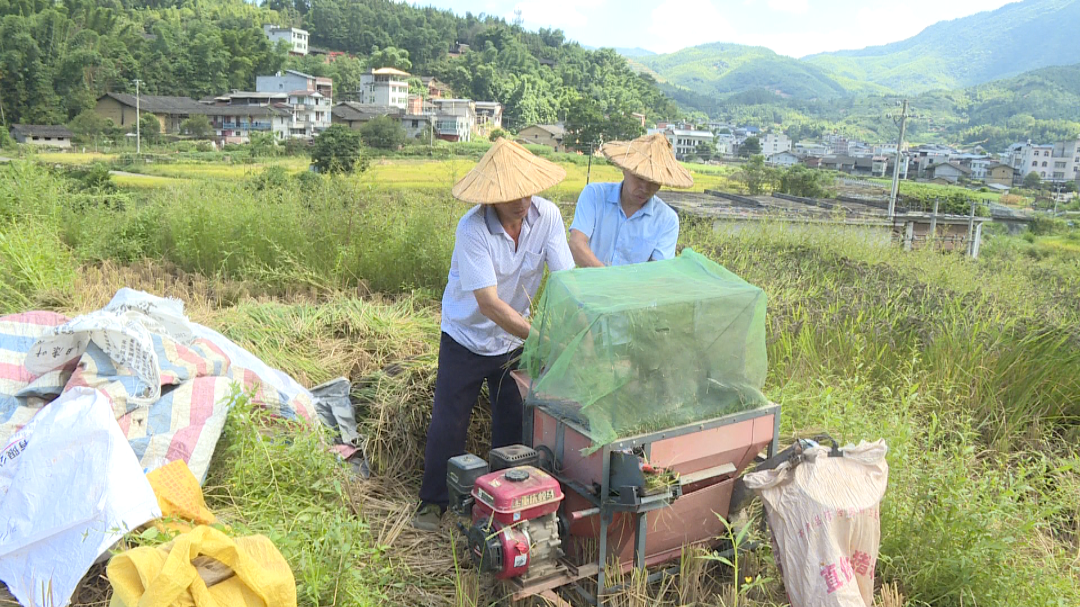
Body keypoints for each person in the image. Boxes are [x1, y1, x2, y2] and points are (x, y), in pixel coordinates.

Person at [414, 139, 574, 531]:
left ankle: (504, 499)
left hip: (512, 340)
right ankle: (433, 501)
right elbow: (487, 302)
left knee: (513, 420)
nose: (522, 201)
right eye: (510, 195)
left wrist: (579, 327)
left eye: (526, 191)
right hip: (466, 335)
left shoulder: (548, 216)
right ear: (492, 197)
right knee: (449, 422)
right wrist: (541, 339)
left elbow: (568, 280)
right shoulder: (472, 229)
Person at [569, 133, 694, 267]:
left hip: (636, 287)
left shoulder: (667, 219)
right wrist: (607, 279)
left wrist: (620, 285)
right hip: (589, 283)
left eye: (654, 182)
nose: (645, 188)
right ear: (625, 169)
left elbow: (657, 271)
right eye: (639, 178)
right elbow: (577, 243)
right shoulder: (594, 195)